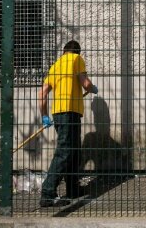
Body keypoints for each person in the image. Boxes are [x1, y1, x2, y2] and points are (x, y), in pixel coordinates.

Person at [38, 40, 98, 207]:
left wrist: (44, 115)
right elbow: (85, 83)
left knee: (73, 150)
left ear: (64, 51)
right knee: (65, 151)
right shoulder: (76, 59)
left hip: (58, 113)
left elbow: (42, 93)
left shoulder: (55, 66)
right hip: (70, 112)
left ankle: (73, 189)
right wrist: (92, 88)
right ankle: (48, 192)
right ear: (76, 52)